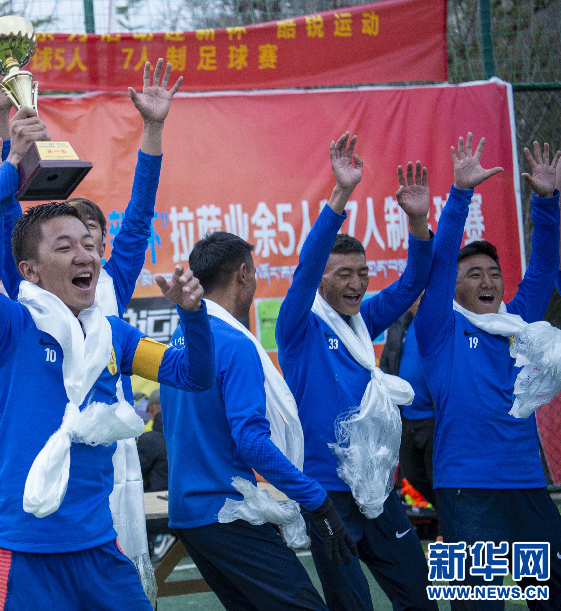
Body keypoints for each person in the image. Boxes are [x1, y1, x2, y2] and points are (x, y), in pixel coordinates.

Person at [0, 107, 215, 610]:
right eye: (65, 246)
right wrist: (10, 169)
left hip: (97, 546)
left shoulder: (115, 336)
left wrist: (193, 317)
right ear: (29, 271)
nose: (84, 255)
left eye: (89, 244)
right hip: (24, 550)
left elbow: (194, 375)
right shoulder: (8, 327)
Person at [275, 133, 437, 610]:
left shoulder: (364, 322)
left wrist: (418, 220)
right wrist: (341, 193)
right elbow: (306, 266)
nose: (357, 283)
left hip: (378, 486)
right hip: (328, 493)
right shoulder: (298, 326)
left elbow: (413, 281)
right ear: (321, 278)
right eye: (343, 273)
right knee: (353, 605)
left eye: (362, 273)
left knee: (421, 596)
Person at [161, 231, 358, 609]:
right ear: (243, 273)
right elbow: (251, 442)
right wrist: (318, 501)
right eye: (254, 272)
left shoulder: (180, 337)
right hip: (226, 511)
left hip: (189, 516)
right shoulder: (234, 343)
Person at [415, 136, 561, 608]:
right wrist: (460, 195)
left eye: (494, 273)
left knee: (552, 594)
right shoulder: (440, 329)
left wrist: (547, 201)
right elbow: (439, 265)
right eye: (474, 273)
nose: (488, 280)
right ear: (454, 288)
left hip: (527, 484)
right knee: (478, 602)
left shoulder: (518, 323)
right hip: (466, 490)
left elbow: (543, 267)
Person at [379, 299, 437, 509]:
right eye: (416, 297)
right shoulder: (400, 323)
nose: (420, 302)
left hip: (434, 419)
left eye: (426, 296)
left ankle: (447, 522)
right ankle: (444, 514)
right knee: (413, 475)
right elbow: (387, 362)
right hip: (406, 418)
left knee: (438, 479)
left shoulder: (444, 324)